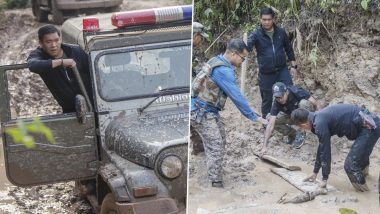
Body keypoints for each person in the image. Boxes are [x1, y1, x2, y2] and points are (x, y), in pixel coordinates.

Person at [191, 38, 267, 188]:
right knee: (217, 144)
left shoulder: (216, 60)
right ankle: (215, 183)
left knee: (221, 139)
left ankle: (210, 166)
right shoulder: (224, 71)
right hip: (201, 111)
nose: (243, 62)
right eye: (242, 58)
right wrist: (255, 117)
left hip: (206, 109)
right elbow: (236, 97)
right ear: (233, 54)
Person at [291, 104, 380, 192]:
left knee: (350, 165)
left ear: (304, 124)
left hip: (370, 126)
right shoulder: (317, 118)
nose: (302, 130)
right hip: (369, 122)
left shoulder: (319, 123)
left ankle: (365, 194)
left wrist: (324, 179)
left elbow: (326, 152)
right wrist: (315, 172)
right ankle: (365, 177)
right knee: (359, 156)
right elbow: (322, 146)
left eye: (300, 127)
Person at [27, 24, 93, 113]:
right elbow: (33, 65)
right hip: (70, 110)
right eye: (48, 42)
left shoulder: (75, 50)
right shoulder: (39, 55)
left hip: (94, 103)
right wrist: (61, 62)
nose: (54, 45)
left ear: (60, 39)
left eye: (56, 40)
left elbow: (94, 72)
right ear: (41, 43)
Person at [247, 7, 298, 117]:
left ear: (273, 19)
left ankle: (295, 121)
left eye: (269, 19)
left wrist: (294, 66)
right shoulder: (256, 34)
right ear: (260, 19)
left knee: (290, 94)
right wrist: (245, 45)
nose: (266, 22)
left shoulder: (280, 32)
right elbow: (247, 47)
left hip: (282, 70)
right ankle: (266, 124)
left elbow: (288, 48)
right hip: (266, 73)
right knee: (267, 99)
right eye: (264, 19)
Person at [261, 82, 320, 152]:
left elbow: (315, 102)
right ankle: (293, 133)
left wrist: (320, 117)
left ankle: (302, 131)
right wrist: (264, 146)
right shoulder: (276, 103)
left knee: (304, 103)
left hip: (306, 114)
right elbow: (270, 125)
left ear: (287, 92)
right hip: (291, 115)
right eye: (277, 97)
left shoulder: (296, 91)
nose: (279, 99)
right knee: (269, 119)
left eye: (281, 96)